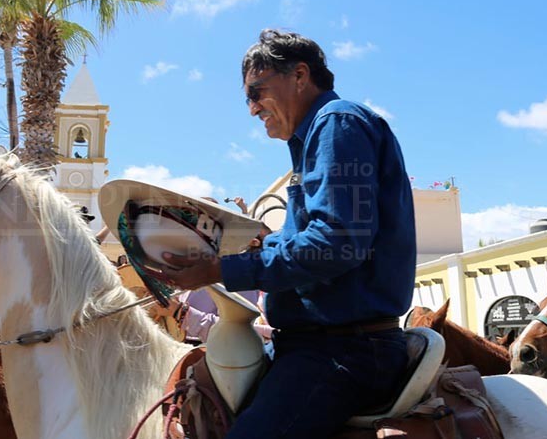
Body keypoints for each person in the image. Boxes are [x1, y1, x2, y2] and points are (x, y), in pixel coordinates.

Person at [161, 30, 416, 438]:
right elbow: (321, 235)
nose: (251, 108)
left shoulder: (336, 123)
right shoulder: (317, 135)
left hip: (341, 351)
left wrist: (221, 268)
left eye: (256, 92)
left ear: (300, 75)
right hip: (316, 345)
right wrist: (267, 242)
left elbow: (336, 243)